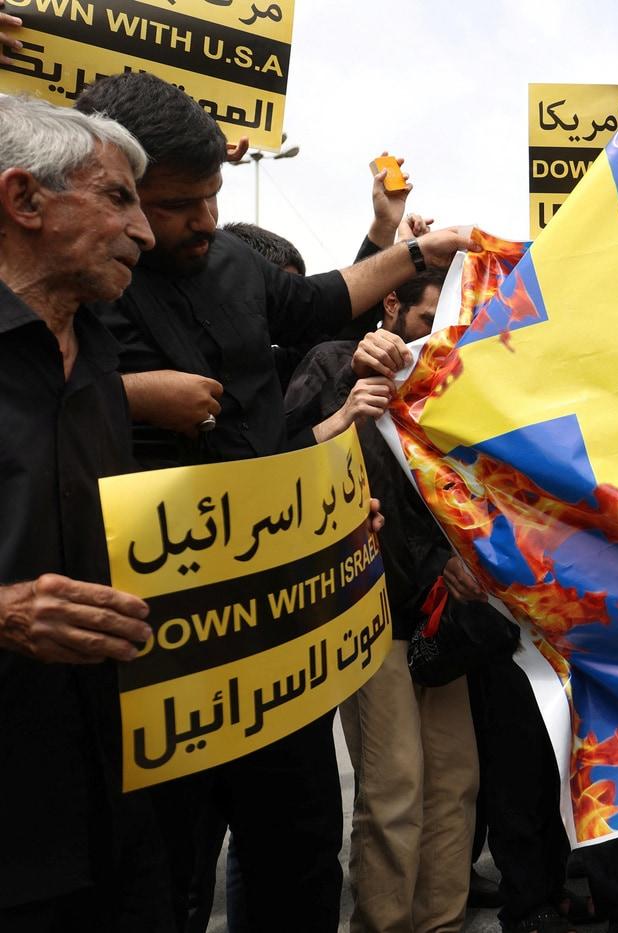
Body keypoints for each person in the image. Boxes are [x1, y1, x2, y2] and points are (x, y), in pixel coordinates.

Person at [73, 71, 477, 933]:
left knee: (298, 852)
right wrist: (134, 396)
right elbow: (33, 395)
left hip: (274, 633)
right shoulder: (73, 278)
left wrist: (418, 252)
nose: (203, 221)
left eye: (213, 197)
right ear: (111, 188)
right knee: (163, 872)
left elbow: (322, 300)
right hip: (153, 642)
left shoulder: (232, 265)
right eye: (176, 205)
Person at [0, 93, 166, 933]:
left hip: (113, 807)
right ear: (24, 199)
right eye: (118, 198)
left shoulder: (101, 351)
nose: (145, 232)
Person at [285, 276, 480, 933]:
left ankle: (441, 923)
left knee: (454, 782)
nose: (432, 335)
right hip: (368, 609)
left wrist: (468, 559)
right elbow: (279, 462)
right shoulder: (332, 364)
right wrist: (347, 400)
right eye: (424, 318)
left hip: (444, 614)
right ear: (390, 305)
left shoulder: (453, 378)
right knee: (394, 787)